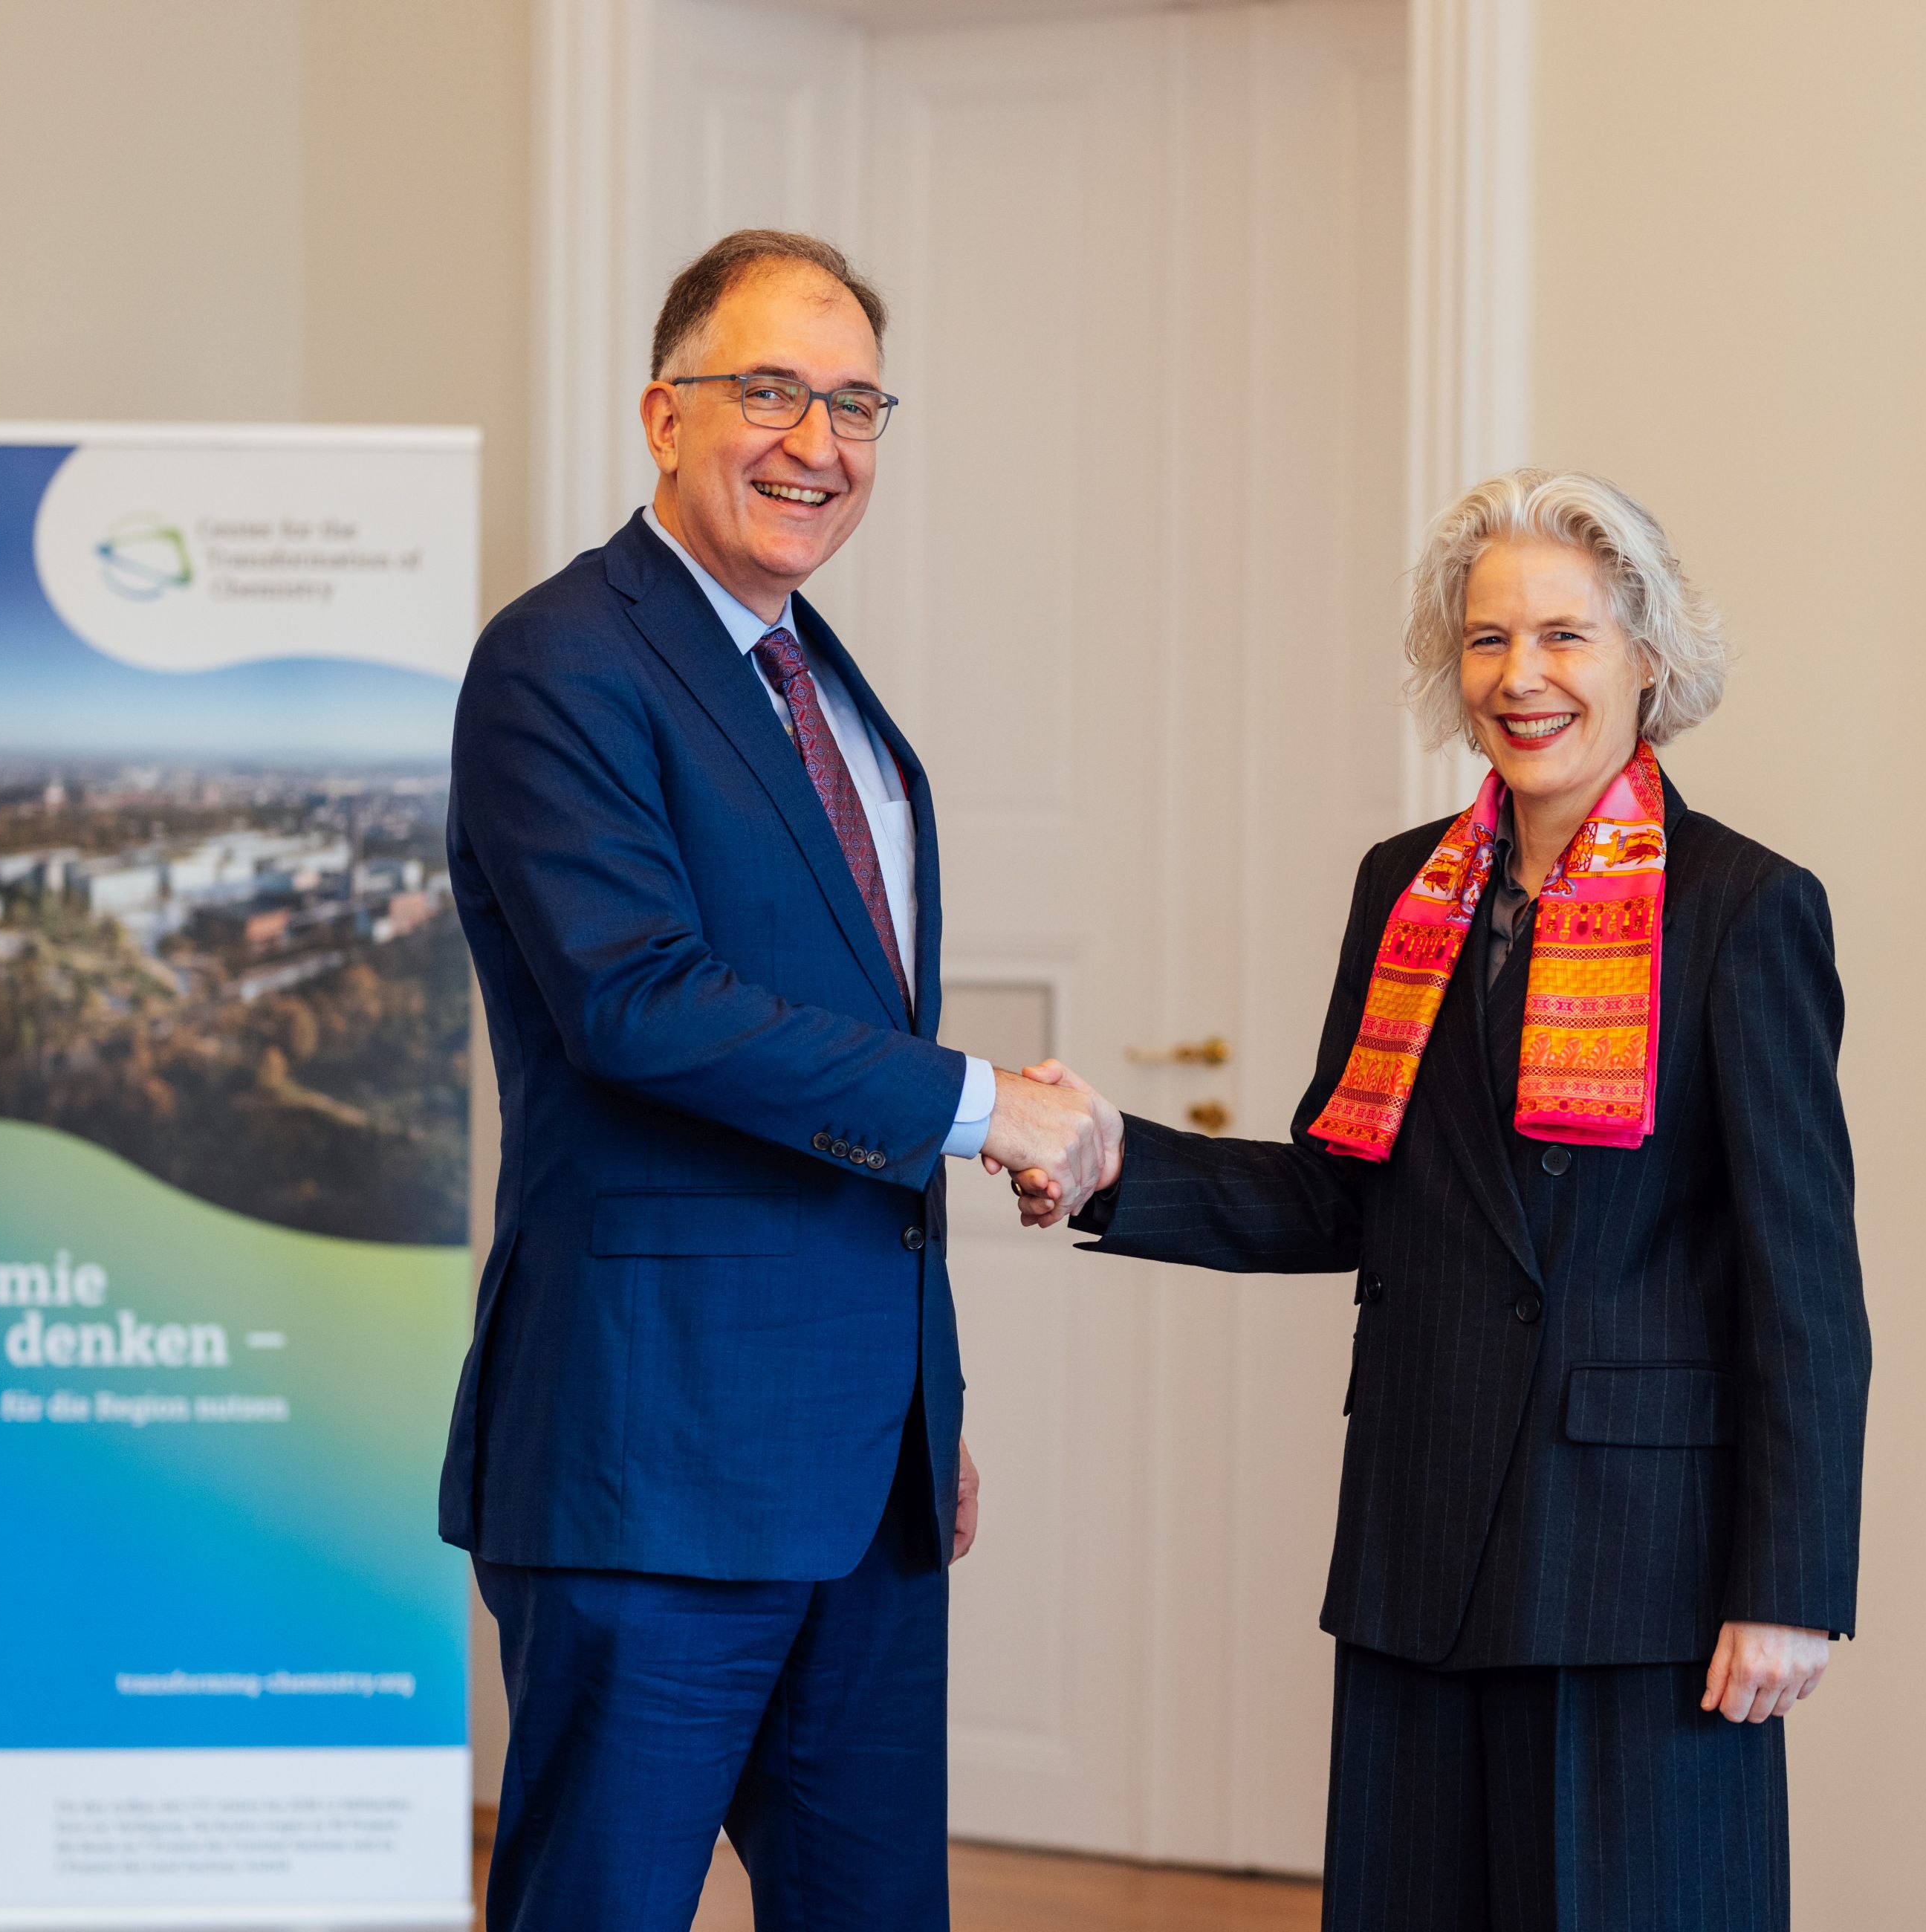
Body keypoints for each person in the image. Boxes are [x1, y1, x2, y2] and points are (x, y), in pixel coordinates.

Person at [1014, 470, 1870, 1930]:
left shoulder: (1743, 908)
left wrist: (1787, 1581)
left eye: (1563, 635)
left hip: (1634, 1569)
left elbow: (1802, 1282)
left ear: (1647, 658)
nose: (1520, 676)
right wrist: (1114, 1161)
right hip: (1419, 1536)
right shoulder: (1403, 888)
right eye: (1486, 639)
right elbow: (1341, 1195)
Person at [438, 228, 1111, 1932]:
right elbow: (640, 1003)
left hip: (858, 1479)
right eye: (771, 392)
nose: (818, 442)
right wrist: (987, 1105)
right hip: (652, 1464)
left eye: (855, 404)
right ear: (662, 414)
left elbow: (831, 1041)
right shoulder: (561, 660)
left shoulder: (826, 687)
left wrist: (918, 1402)